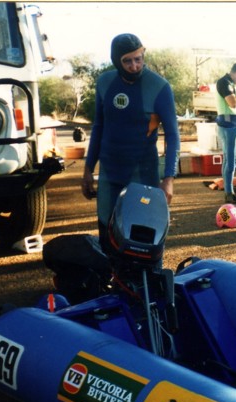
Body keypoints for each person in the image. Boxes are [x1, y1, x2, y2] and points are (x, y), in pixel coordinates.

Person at [81, 33, 179, 252]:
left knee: (142, 237)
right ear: (116, 61)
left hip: (142, 173)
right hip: (109, 172)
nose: (134, 66)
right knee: (107, 235)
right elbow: (98, 127)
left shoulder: (159, 87)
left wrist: (169, 179)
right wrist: (88, 169)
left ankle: (146, 276)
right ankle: (110, 274)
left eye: (138, 58)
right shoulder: (105, 82)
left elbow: (173, 135)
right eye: (127, 61)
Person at [216, 62, 236, 203]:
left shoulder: (230, 83)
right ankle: (229, 193)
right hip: (228, 126)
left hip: (233, 125)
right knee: (230, 161)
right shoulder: (224, 83)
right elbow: (233, 103)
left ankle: (229, 192)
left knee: (231, 161)